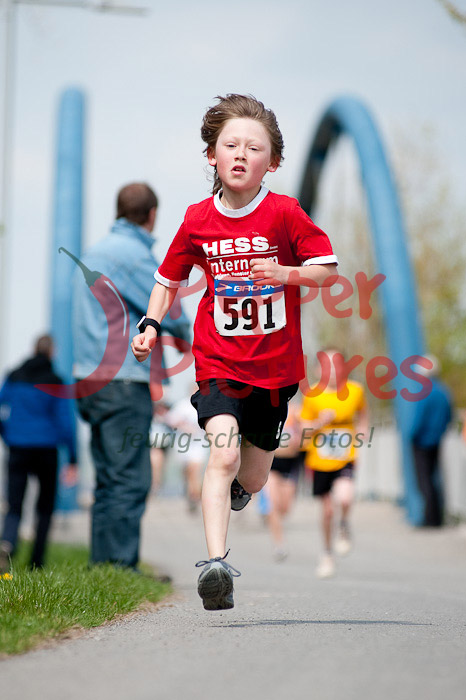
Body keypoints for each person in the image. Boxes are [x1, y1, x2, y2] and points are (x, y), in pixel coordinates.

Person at [131, 94, 338, 610]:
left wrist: (286, 272)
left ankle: (241, 491)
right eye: (231, 145)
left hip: (275, 370)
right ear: (212, 156)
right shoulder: (198, 219)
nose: (241, 154)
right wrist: (151, 323)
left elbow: (327, 270)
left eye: (254, 147)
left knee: (253, 475)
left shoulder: (285, 213)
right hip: (219, 361)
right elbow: (167, 280)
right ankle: (215, 566)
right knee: (222, 453)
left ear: (274, 162)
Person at [72, 183, 190, 570]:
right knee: (130, 479)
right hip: (122, 382)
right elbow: (168, 309)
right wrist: (189, 338)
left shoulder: (94, 252)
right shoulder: (134, 255)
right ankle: (120, 568)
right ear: (152, 215)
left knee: (109, 477)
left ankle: (103, 567)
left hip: (88, 379)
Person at [0, 335, 76, 573]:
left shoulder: (14, 376)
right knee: (45, 507)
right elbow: (65, 422)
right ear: (52, 352)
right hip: (46, 450)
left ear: (34, 349)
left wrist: (7, 434)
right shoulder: (55, 381)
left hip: (17, 447)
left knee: (14, 504)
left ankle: (7, 543)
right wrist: (73, 457)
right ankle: (37, 561)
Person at [301, 349, 368, 579]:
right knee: (328, 510)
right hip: (319, 460)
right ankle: (327, 553)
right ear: (317, 369)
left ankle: (344, 526)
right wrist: (320, 421)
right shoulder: (311, 395)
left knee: (345, 497)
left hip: (345, 457)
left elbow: (363, 413)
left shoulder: (355, 391)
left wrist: (362, 429)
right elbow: (304, 429)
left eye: (336, 364)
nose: (331, 370)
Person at [410, 355, 452, 527]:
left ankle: (430, 519)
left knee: (424, 481)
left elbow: (418, 420)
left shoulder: (424, 392)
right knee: (435, 478)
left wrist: (412, 435)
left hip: (421, 442)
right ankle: (438, 518)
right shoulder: (443, 391)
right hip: (437, 440)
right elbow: (449, 416)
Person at [265, 401, 304, 562]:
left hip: (290, 463)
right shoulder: (265, 408)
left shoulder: (296, 411)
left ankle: (275, 522)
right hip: (271, 463)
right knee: (273, 504)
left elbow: (305, 434)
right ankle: (279, 544)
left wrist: (299, 439)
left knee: (285, 508)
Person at [166, 390, 205, 512]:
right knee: (187, 471)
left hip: (199, 443)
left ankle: (194, 496)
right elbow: (170, 420)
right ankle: (190, 492)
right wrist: (184, 426)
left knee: (195, 470)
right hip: (183, 443)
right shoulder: (182, 405)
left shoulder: (204, 404)